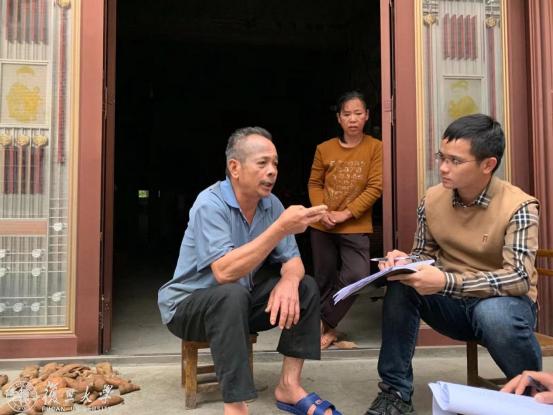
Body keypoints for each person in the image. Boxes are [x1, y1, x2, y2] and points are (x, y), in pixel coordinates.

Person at [364, 114, 542, 415]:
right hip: (452, 306)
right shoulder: (432, 199)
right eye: (442, 157)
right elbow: (424, 254)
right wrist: (405, 263)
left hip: (506, 306)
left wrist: (447, 281)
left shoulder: (519, 205)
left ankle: (532, 396)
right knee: (402, 286)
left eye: (455, 161)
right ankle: (394, 394)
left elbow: (519, 277)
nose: (443, 168)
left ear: (488, 164)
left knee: (493, 313)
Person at [158, 127, 342, 415]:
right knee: (231, 294)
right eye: (262, 163)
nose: (272, 171)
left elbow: (293, 261)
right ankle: (236, 406)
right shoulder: (210, 204)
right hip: (188, 307)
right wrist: (280, 228)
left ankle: (289, 386)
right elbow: (224, 272)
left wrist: (289, 280)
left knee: (305, 286)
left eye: (275, 164)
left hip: (238, 302)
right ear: (235, 168)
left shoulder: (271, 205)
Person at [308, 91, 383, 349]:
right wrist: (322, 211)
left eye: (358, 113)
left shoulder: (376, 147)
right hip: (323, 224)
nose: (353, 119)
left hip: (355, 223)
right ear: (339, 118)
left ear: (367, 116)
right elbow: (315, 183)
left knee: (357, 274)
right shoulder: (324, 149)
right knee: (324, 278)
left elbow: (375, 187)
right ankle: (325, 331)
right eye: (347, 114)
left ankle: (321, 323)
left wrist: (346, 213)